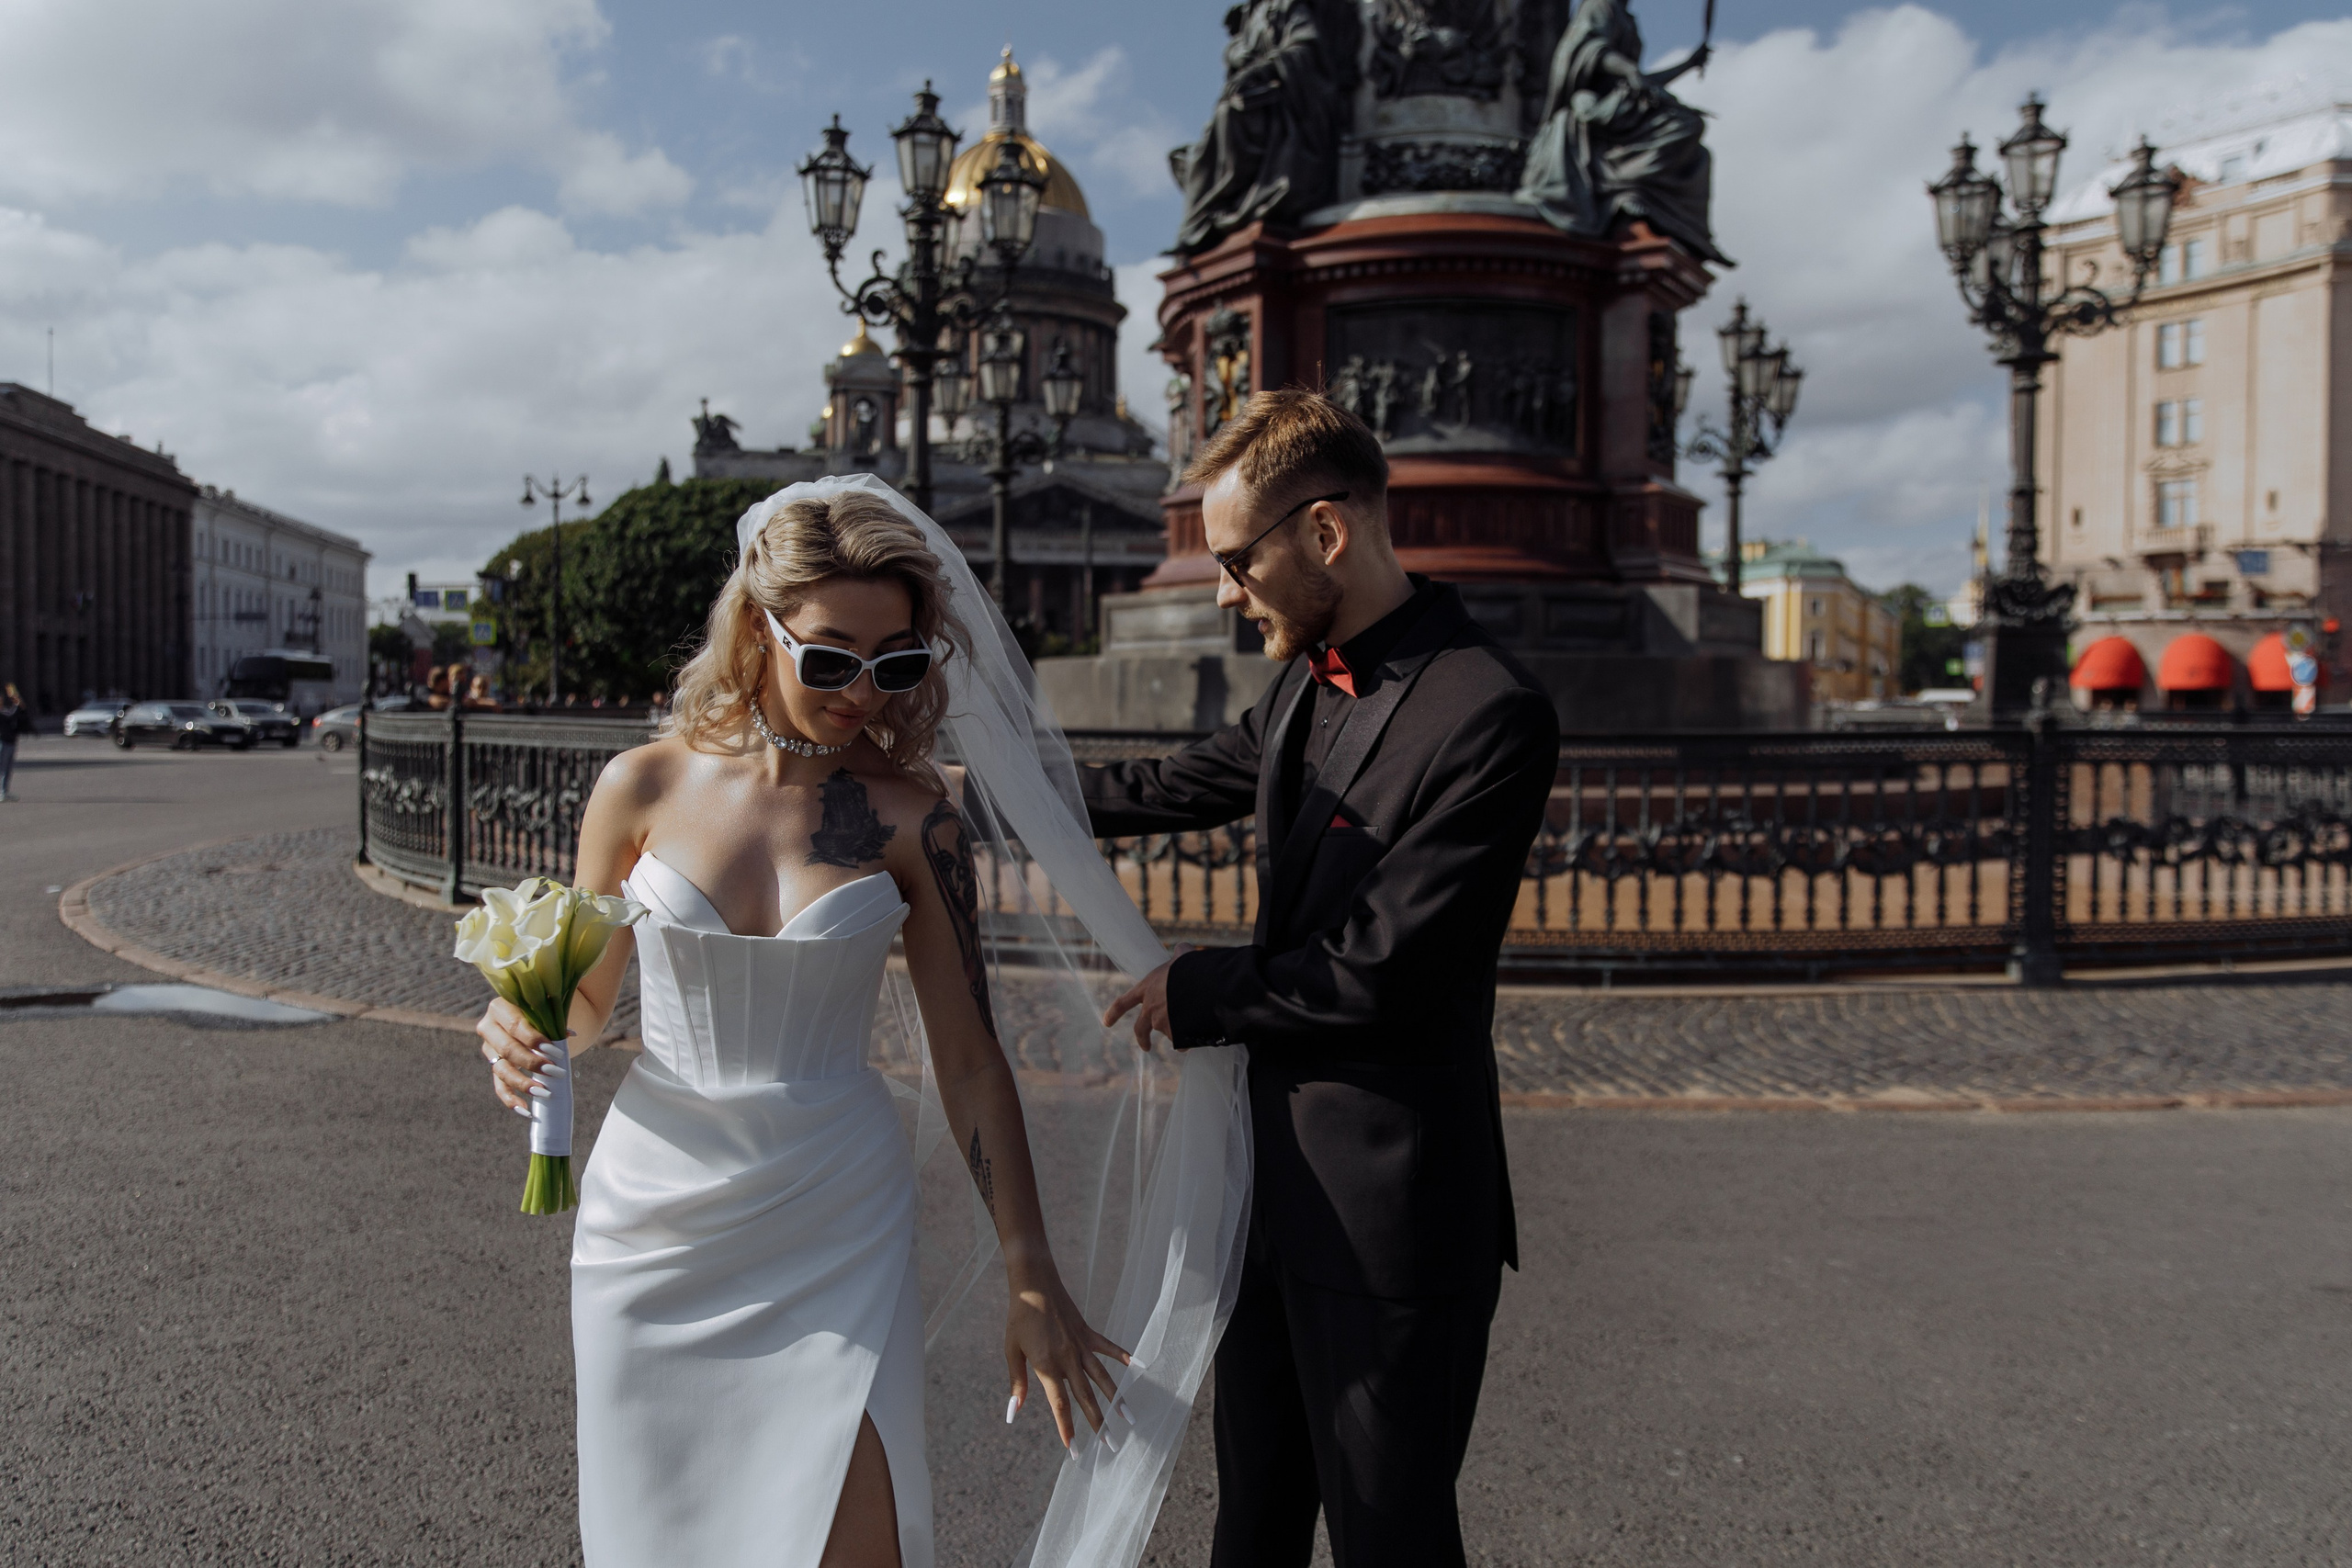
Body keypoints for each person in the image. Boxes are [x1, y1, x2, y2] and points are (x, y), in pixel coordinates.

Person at [472, 481, 1238, 1568]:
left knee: (851, 1533)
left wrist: (1030, 1272)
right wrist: (521, 1015)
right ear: (758, 630)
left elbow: (969, 1062)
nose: (864, 691)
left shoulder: (916, 822)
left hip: (835, 1212)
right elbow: (586, 1009)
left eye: (897, 661)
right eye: (831, 659)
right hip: (653, 1220)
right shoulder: (638, 787)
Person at [1085, 389, 1560, 1567]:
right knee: (1250, 1524)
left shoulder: (1489, 711)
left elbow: (1383, 970)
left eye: (1236, 560)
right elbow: (1174, 785)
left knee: (1388, 1539)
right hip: (1270, 1195)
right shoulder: (1306, 675)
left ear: (1326, 533)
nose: (1223, 591)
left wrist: (1198, 990)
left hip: (1390, 1220)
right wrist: (974, 786)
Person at [0, 683, 27, 802]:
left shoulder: (5, 711)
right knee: (3, 768)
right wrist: (16, 699)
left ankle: (4, 791)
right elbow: (12, 714)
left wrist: (16, 698)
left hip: (10, 742)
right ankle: (2, 792)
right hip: (3, 743)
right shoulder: (2, 714)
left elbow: (20, 711)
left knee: (7, 769)